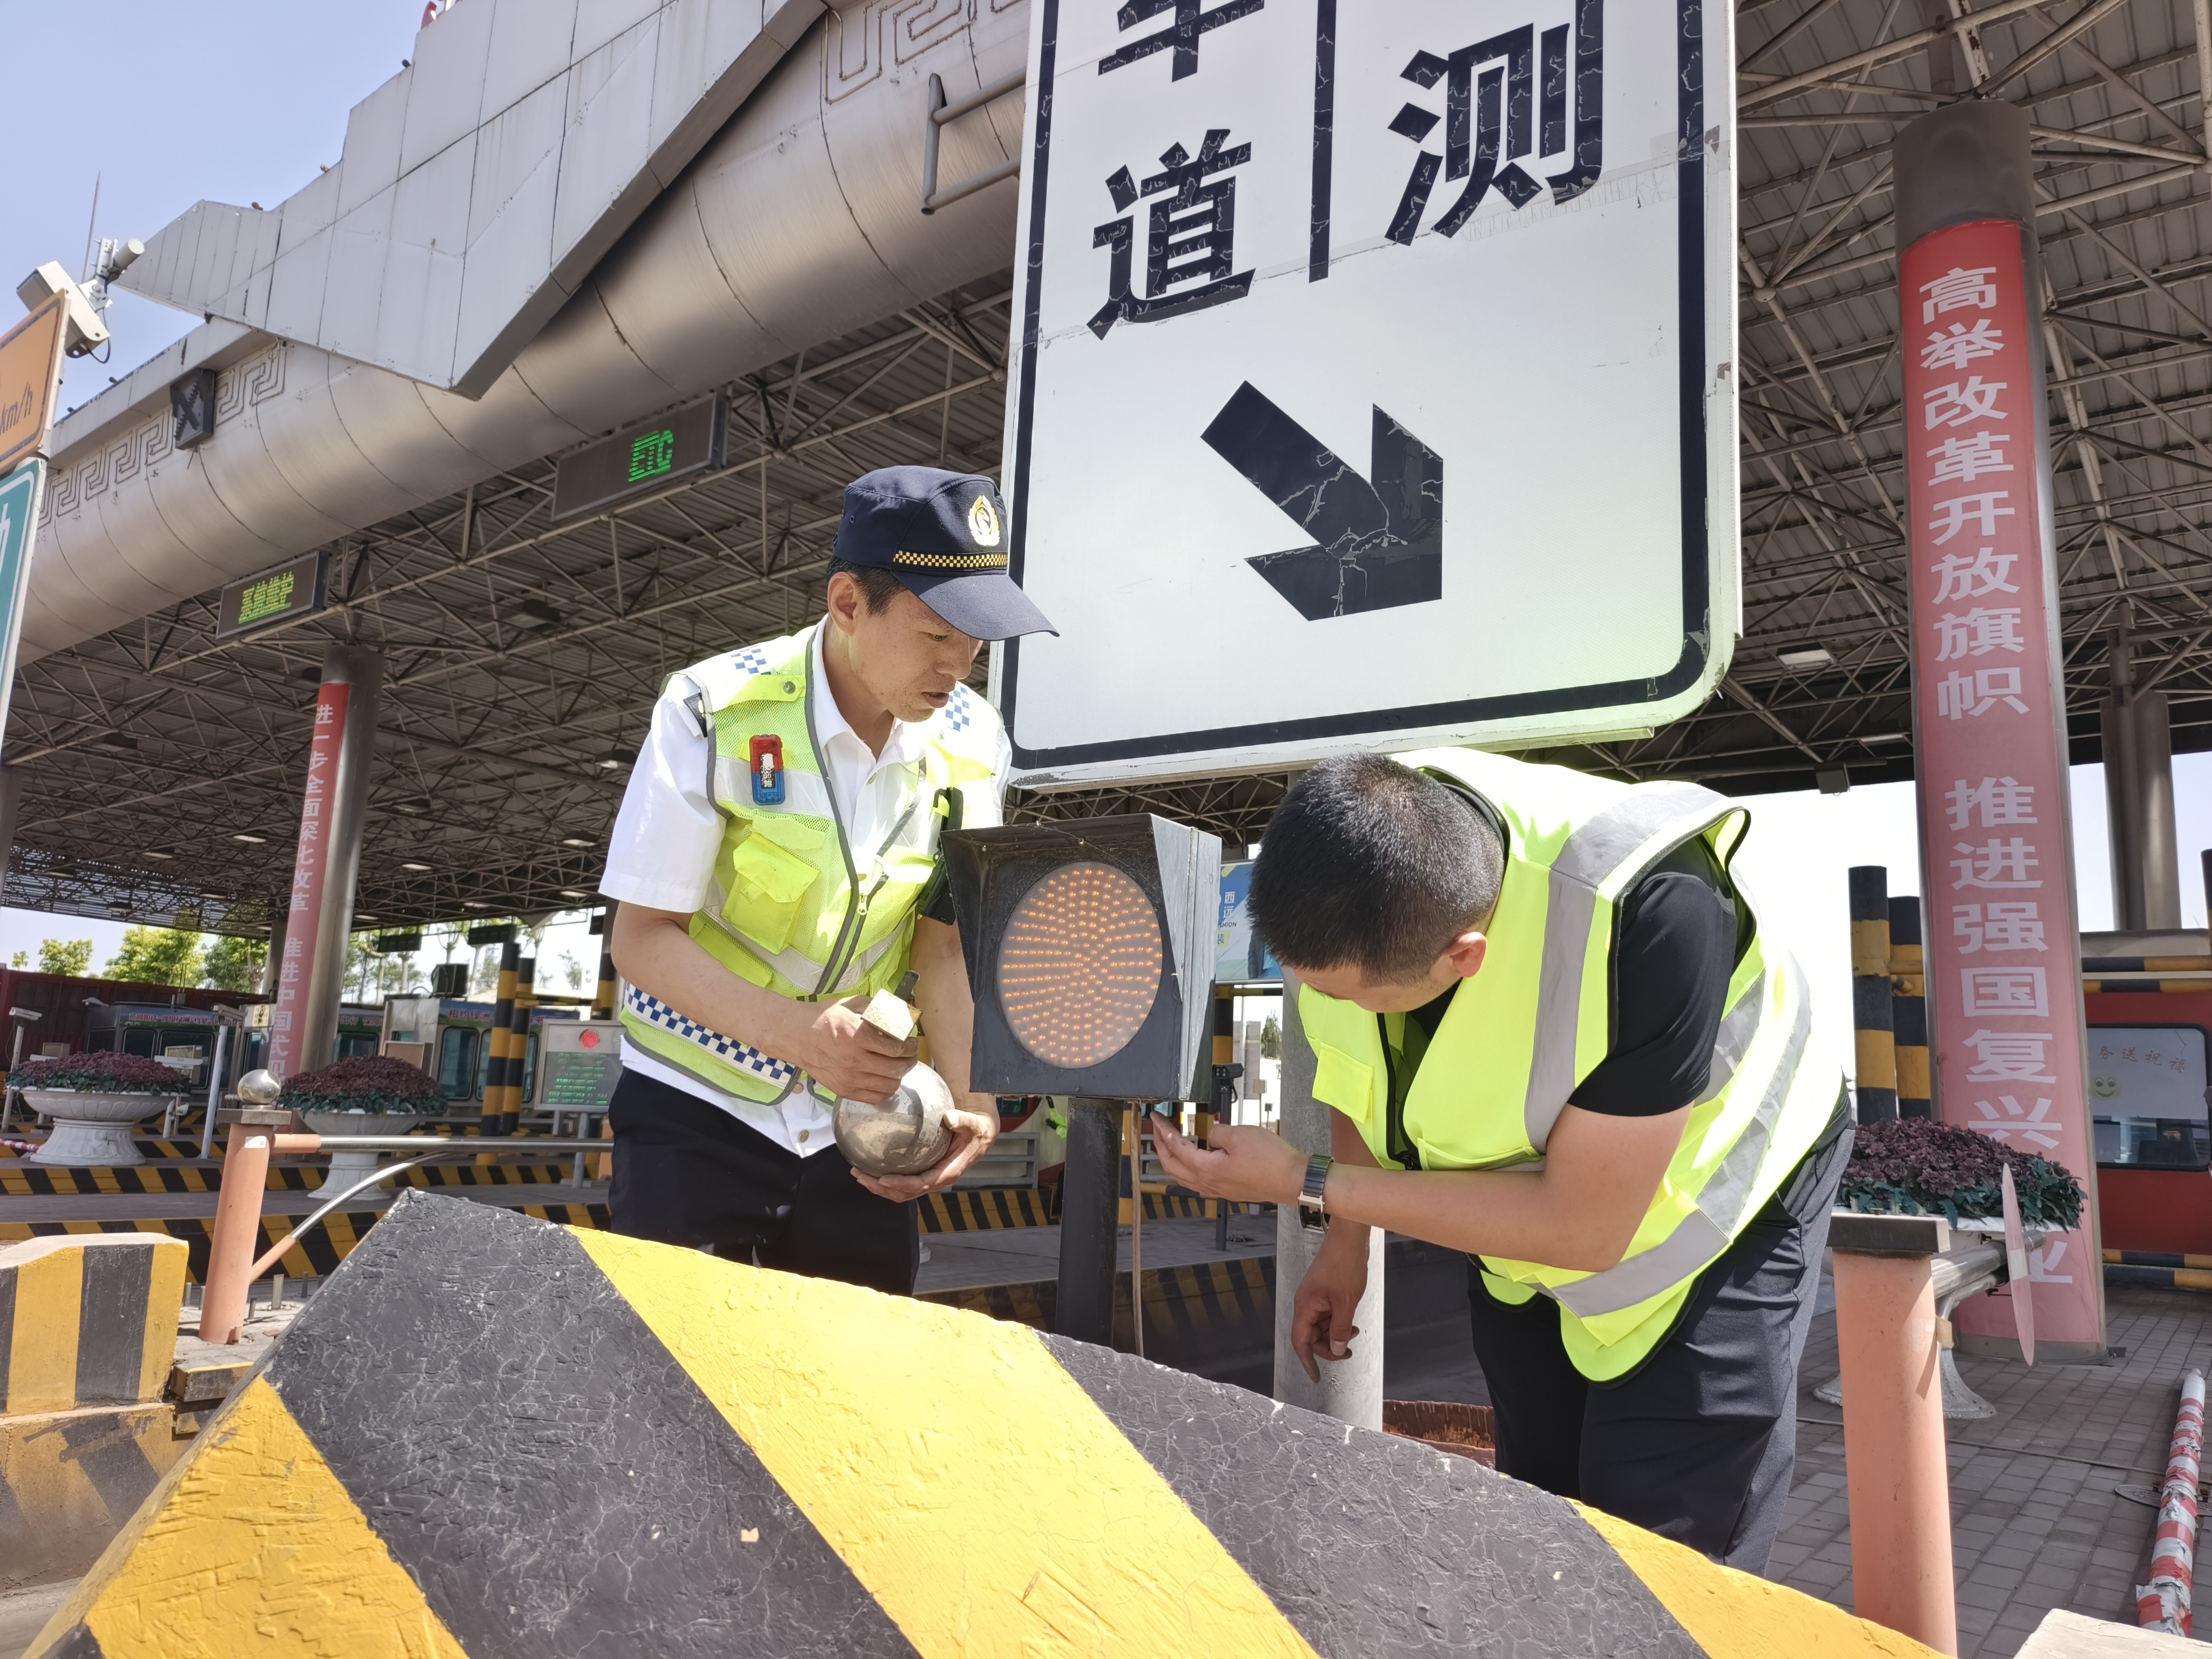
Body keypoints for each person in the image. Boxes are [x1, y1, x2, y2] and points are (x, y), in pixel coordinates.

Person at [1151, 748, 1849, 1574]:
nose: (1325, 1008)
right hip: (1525, 1242)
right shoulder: (1365, 846)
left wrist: (1298, 1180)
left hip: (1707, 1226)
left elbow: (1584, 1228)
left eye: (1343, 994)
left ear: (1464, 957)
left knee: (1660, 1562)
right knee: (1548, 1524)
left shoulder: (1654, 911)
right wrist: (1345, 1247)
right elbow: (1360, 1070)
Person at [598, 465, 1055, 1294]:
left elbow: (943, 945)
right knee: (677, 1380)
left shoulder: (974, 744)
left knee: (850, 1387)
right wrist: (795, 1036)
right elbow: (641, 939)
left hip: (868, 1128)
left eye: (978, 641)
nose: (960, 666)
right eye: (936, 634)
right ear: (848, 604)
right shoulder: (714, 713)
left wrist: (972, 1097)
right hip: (697, 1109)